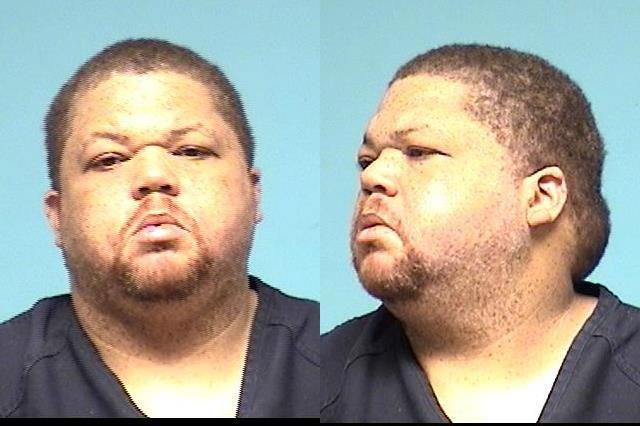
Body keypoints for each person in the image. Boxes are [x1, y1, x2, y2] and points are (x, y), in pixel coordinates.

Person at [0, 38, 318, 418]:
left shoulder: (334, 359)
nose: (153, 176)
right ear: (57, 216)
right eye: (109, 159)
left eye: (191, 151)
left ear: (253, 194)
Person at [321, 44, 640, 422]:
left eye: (418, 152)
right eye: (366, 160)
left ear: (541, 197)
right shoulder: (313, 382)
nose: (372, 176)